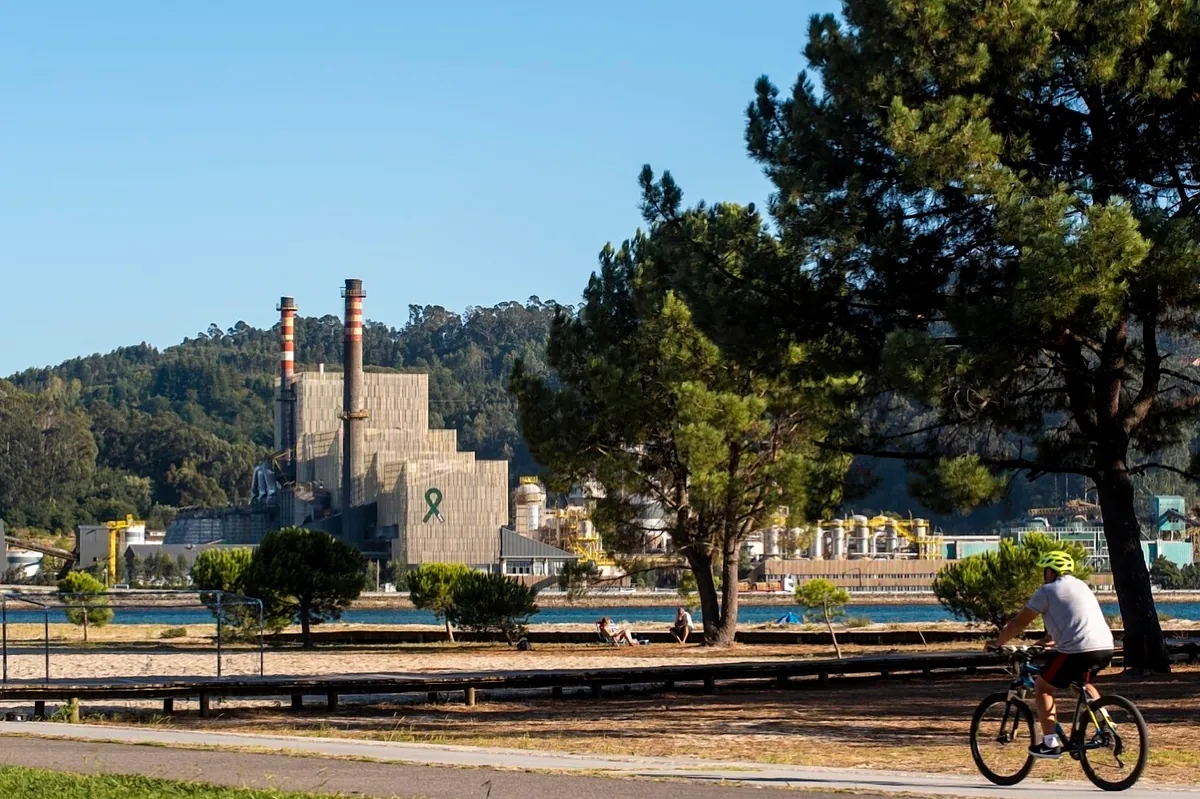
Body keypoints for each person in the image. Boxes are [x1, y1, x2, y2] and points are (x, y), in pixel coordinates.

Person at [987, 550, 1114, 759]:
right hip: (1104, 647)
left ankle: (1049, 743)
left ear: (1050, 572)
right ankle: (1106, 724)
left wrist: (997, 642)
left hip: (1078, 650)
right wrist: (1047, 641)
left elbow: (1020, 622)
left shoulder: (1047, 590)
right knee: (1080, 683)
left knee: (1042, 687)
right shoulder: (1081, 586)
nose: (1044, 575)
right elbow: (1072, 619)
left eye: (1045, 571)